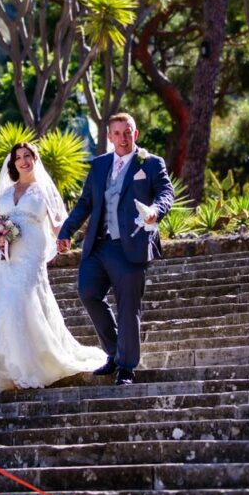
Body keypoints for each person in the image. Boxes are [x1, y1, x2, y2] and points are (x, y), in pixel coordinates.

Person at [0, 142, 104, 394]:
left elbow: (58, 226)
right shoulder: (4, 192)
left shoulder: (43, 191)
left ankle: (31, 368)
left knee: (22, 302)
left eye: (27, 156)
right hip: (6, 259)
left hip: (31, 256)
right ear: (12, 164)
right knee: (6, 308)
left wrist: (67, 237)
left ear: (35, 159)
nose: (23, 161)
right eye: (18, 158)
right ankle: (12, 368)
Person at [57, 112, 175, 386]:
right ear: (109, 136)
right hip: (98, 246)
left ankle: (125, 367)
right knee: (87, 292)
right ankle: (114, 353)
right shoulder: (99, 165)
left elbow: (166, 194)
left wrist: (155, 212)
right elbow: (85, 203)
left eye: (128, 132)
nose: (123, 138)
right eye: (117, 133)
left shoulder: (151, 163)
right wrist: (66, 232)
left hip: (130, 245)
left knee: (127, 307)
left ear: (136, 133)